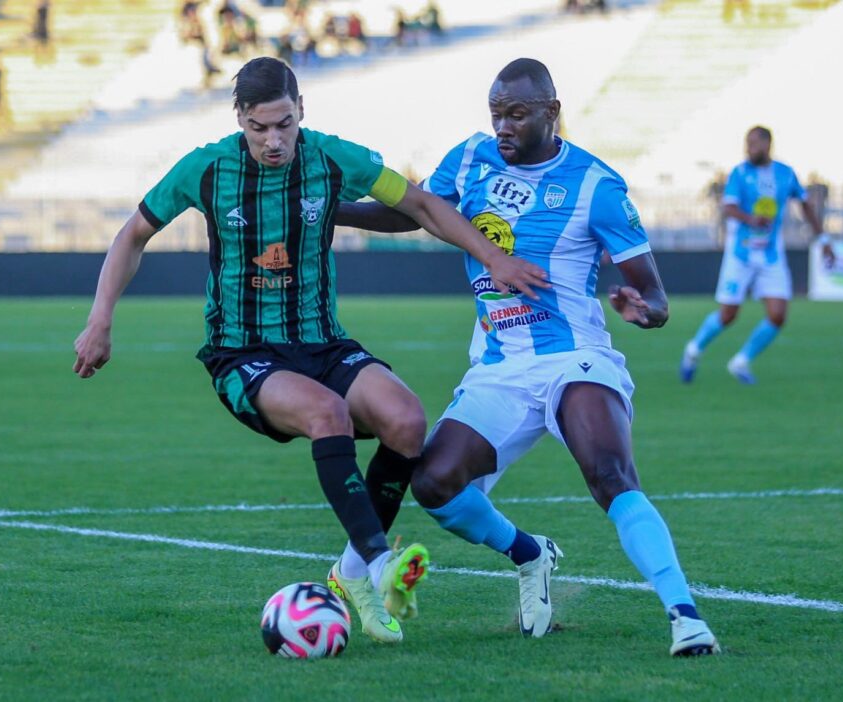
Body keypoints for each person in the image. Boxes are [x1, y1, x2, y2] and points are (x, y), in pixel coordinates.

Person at [71, 57, 549, 645]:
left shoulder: (332, 157)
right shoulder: (205, 169)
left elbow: (421, 206)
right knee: (330, 415)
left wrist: (494, 257)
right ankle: (377, 567)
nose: (274, 140)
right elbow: (133, 235)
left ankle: (352, 574)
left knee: (406, 420)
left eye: (285, 124)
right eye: (259, 127)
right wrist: (100, 321)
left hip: (322, 340)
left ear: (302, 114)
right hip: (243, 353)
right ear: (240, 120)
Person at [336, 58, 720, 656]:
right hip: (499, 367)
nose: (504, 127)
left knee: (610, 475)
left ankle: (685, 616)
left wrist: (641, 308)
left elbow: (656, 294)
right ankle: (530, 554)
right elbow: (410, 212)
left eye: (516, 114)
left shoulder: (598, 187)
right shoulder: (470, 158)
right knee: (434, 483)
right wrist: (329, 210)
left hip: (575, 359)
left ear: (551, 112)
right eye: (496, 115)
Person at [680, 126, 833, 385]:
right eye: (746, 143)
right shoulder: (740, 173)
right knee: (728, 314)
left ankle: (741, 361)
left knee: (778, 315)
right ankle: (694, 350)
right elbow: (728, 207)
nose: (748, 148)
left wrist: (824, 239)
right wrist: (750, 218)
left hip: (771, 256)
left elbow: (805, 205)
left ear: (767, 144)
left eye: (753, 143)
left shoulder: (785, 174)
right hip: (740, 255)